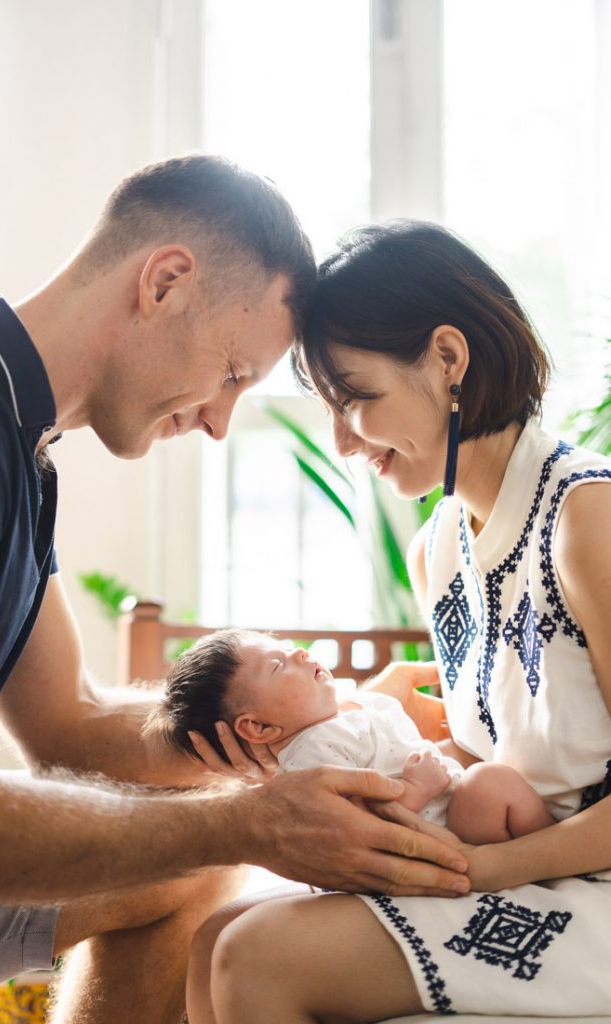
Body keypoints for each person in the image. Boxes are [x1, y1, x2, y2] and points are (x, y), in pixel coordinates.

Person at [0, 163, 470, 1021]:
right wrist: (247, 822)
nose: (221, 422)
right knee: (210, 849)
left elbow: (66, 725)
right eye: (230, 371)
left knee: (194, 867)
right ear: (166, 281)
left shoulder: (11, 439)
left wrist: (328, 722)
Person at [184, 220, 611, 1024]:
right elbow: (487, 753)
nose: (345, 443)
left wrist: (468, 871)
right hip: (506, 858)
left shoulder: (589, 517)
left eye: (361, 402)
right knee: (214, 937)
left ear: (449, 359)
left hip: (583, 888)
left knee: (258, 956)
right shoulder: (439, 547)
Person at [158, 627, 556, 841]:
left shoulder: (349, 707)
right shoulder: (312, 755)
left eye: (286, 647)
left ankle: (550, 852)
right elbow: (351, 827)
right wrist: (417, 788)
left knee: (492, 778)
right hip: (439, 835)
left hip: (450, 806)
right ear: (258, 727)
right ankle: (551, 858)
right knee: (490, 781)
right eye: (278, 666)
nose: (299, 653)